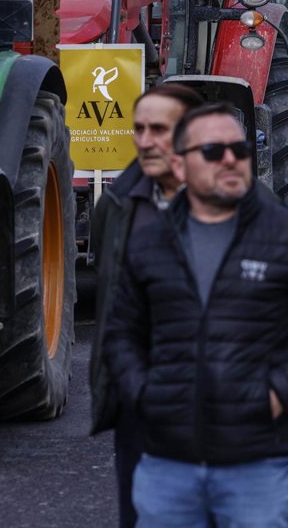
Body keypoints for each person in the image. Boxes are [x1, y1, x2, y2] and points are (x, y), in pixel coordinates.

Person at [104, 102, 288, 528]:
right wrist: (144, 395)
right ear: (180, 166)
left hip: (258, 462)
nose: (230, 160)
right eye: (213, 151)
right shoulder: (149, 242)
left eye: (239, 150)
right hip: (167, 463)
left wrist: (279, 392)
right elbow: (121, 332)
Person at [89, 82, 203, 528]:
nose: (145, 140)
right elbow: (112, 298)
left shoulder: (246, 206)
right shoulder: (118, 205)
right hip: (143, 407)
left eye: (160, 129)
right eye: (139, 129)